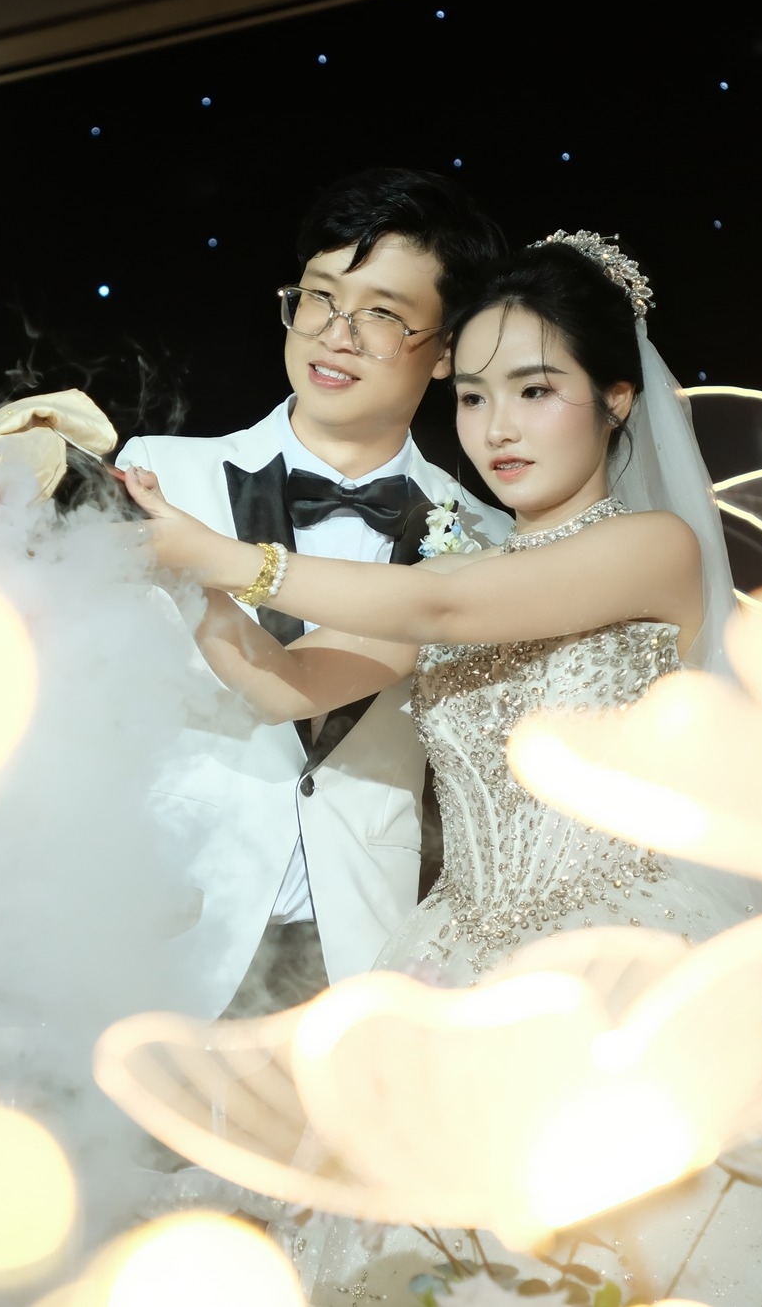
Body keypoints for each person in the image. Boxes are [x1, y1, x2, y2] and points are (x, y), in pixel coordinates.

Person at [122, 235, 762, 1306]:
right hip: (455, 962)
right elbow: (284, 686)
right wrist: (183, 575)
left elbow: (442, 610)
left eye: (534, 390)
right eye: (472, 397)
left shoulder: (651, 546)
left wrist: (227, 557)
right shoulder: (458, 562)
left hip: (627, 958)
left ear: (614, 401)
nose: (496, 428)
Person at [115, 168, 507, 1021]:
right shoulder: (157, 477)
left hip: (370, 953)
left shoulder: (485, 537)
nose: (336, 334)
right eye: (320, 297)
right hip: (171, 937)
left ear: (445, 349)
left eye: (381, 313)